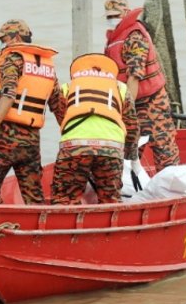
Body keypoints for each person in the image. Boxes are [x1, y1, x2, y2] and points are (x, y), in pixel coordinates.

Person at [0, 19, 66, 204]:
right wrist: (68, 136)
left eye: (3, 40)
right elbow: (58, 104)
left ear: (16, 37)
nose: (2, 45)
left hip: (5, 136)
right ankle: (35, 230)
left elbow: (8, 95)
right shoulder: (47, 66)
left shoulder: (12, 59)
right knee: (33, 196)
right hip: (32, 140)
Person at [50, 54, 140, 204]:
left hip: (74, 148)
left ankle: (65, 225)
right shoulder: (121, 88)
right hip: (111, 149)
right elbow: (132, 126)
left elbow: (62, 118)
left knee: (64, 199)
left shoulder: (68, 87)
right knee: (110, 200)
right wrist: (131, 156)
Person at [104, 0, 180, 172]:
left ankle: (171, 188)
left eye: (114, 15)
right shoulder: (114, 38)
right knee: (128, 151)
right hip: (132, 102)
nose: (111, 20)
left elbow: (134, 76)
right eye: (108, 17)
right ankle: (129, 189)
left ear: (125, 13)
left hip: (152, 102)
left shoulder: (134, 36)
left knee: (164, 148)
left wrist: (126, 110)